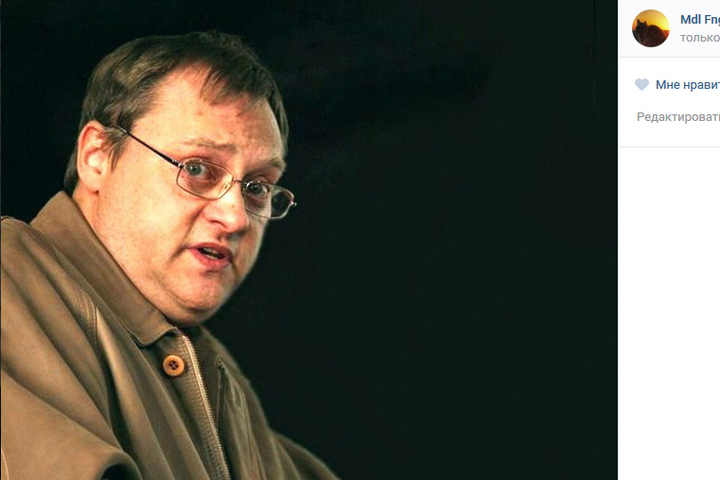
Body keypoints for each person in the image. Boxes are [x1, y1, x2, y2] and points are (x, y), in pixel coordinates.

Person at [1, 31, 339, 480]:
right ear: (97, 156)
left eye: (257, 187)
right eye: (197, 168)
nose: (236, 216)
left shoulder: (223, 383)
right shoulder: (9, 279)